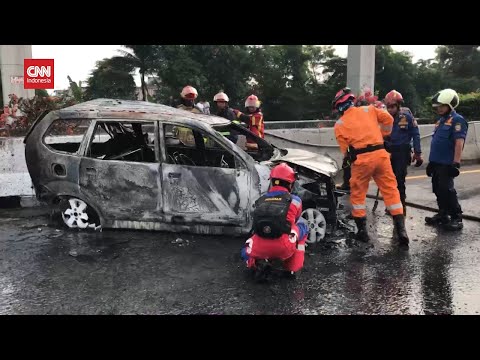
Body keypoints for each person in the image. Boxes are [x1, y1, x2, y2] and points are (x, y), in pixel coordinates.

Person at [333, 87, 409, 245]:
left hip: (361, 161)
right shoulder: (370, 109)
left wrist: (348, 158)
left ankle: (362, 232)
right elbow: (388, 119)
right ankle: (401, 230)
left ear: (339, 107)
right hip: (381, 156)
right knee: (391, 191)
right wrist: (383, 135)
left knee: (358, 194)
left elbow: (346, 151)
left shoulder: (339, 124)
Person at [241, 163, 309, 281]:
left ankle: (254, 264)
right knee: (303, 225)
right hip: (283, 247)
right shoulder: (295, 201)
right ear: (290, 183)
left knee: (247, 247)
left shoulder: (260, 200)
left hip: (258, 248)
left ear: (272, 181)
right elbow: (295, 220)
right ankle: (291, 268)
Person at [425, 89, 468, 230]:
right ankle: (443, 214)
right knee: (438, 189)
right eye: (438, 106)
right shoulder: (441, 121)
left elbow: (459, 142)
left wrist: (456, 163)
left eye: (442, 105)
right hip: (436, 163)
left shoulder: (457, 120)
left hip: (447, 163)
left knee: (447, 190)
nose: (439, 108)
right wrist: (431, 162)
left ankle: (457, 217)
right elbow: (437, 142)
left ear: (450, 105)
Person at [383, 90, 422, 215]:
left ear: (398, 106)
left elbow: (415, 135)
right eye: (388, 107)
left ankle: (401, 206)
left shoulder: (407, 117)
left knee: (399, 180)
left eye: (393, 107)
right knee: (389, 181)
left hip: (402, 152)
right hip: (388, 151)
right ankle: (392, 205)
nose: (390, 110)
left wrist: (417, 152)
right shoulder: (383, 118)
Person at [338, 88, 383, 191]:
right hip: (354, 146)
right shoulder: (356, 116)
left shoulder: (368, 114)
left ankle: (354, 185)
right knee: (347, 163)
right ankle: (348, 183)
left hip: (364, 147)